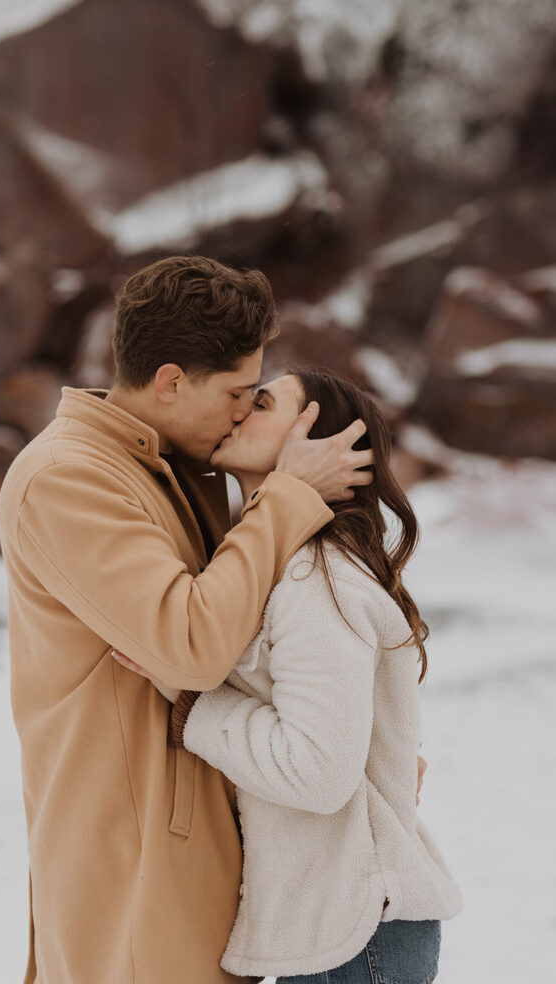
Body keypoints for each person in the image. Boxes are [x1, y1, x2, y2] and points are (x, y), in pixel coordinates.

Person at [0, 256, 375, 984]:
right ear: (170, 381)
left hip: (195, 842)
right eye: (237, 392)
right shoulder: (69, 478)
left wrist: (358, 755)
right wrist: (288, 497)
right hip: (131, 858)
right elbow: (193, 648)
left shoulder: (164, 467)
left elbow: (262, 649)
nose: (242, 410)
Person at [113, 367, 462, 984]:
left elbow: (317, 772)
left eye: (263, 401)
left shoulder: (314, 578)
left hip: (356, 934)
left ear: (315, 437)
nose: (240, 409)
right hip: (341, 928)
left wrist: (195, 703)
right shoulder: (290, 566)